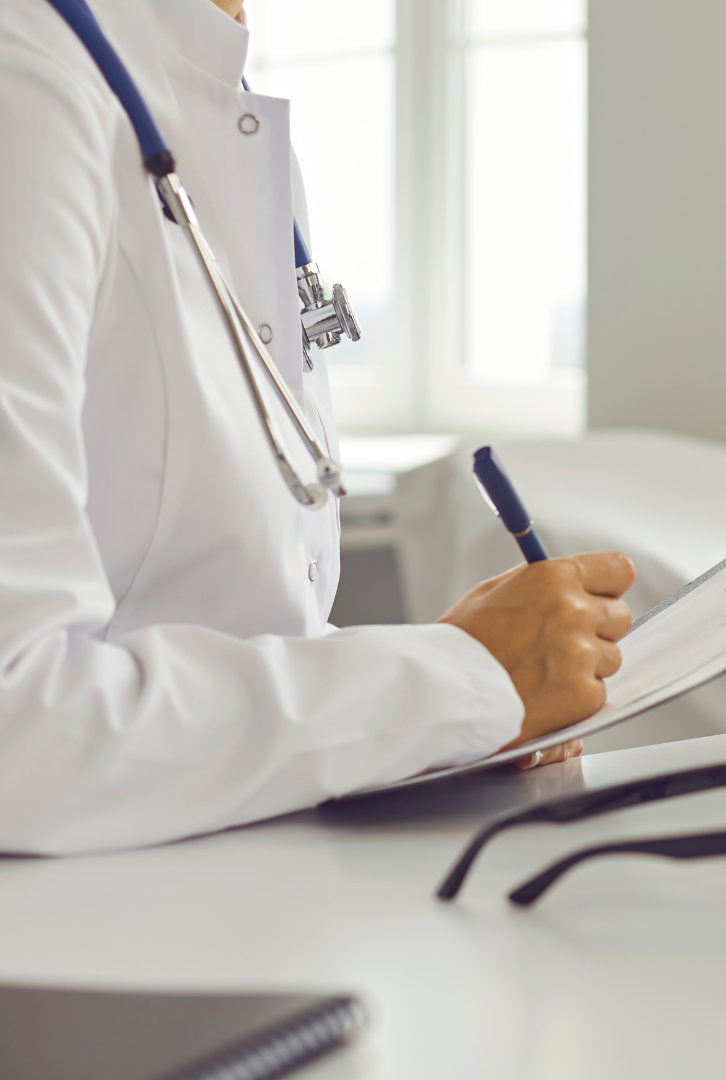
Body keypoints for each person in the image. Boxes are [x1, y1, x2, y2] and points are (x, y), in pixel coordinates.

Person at [0, 0, 633, 854]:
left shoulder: (222, 107)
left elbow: (238, 632)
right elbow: (20, 733)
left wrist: (448, 710)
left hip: (232, 892)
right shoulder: (29, 79)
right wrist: (445, 686)